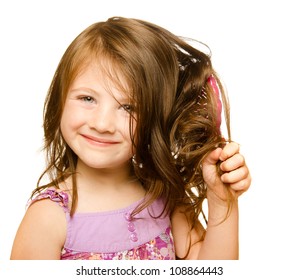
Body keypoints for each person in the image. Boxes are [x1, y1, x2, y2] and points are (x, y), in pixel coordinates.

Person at [10, 16, 251, 260]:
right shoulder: (48, 218)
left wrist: (221, 201)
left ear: (154, 119)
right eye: (87, 99)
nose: (102, 124)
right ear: (59, 101)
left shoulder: (164, 195)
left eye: (128, 107)